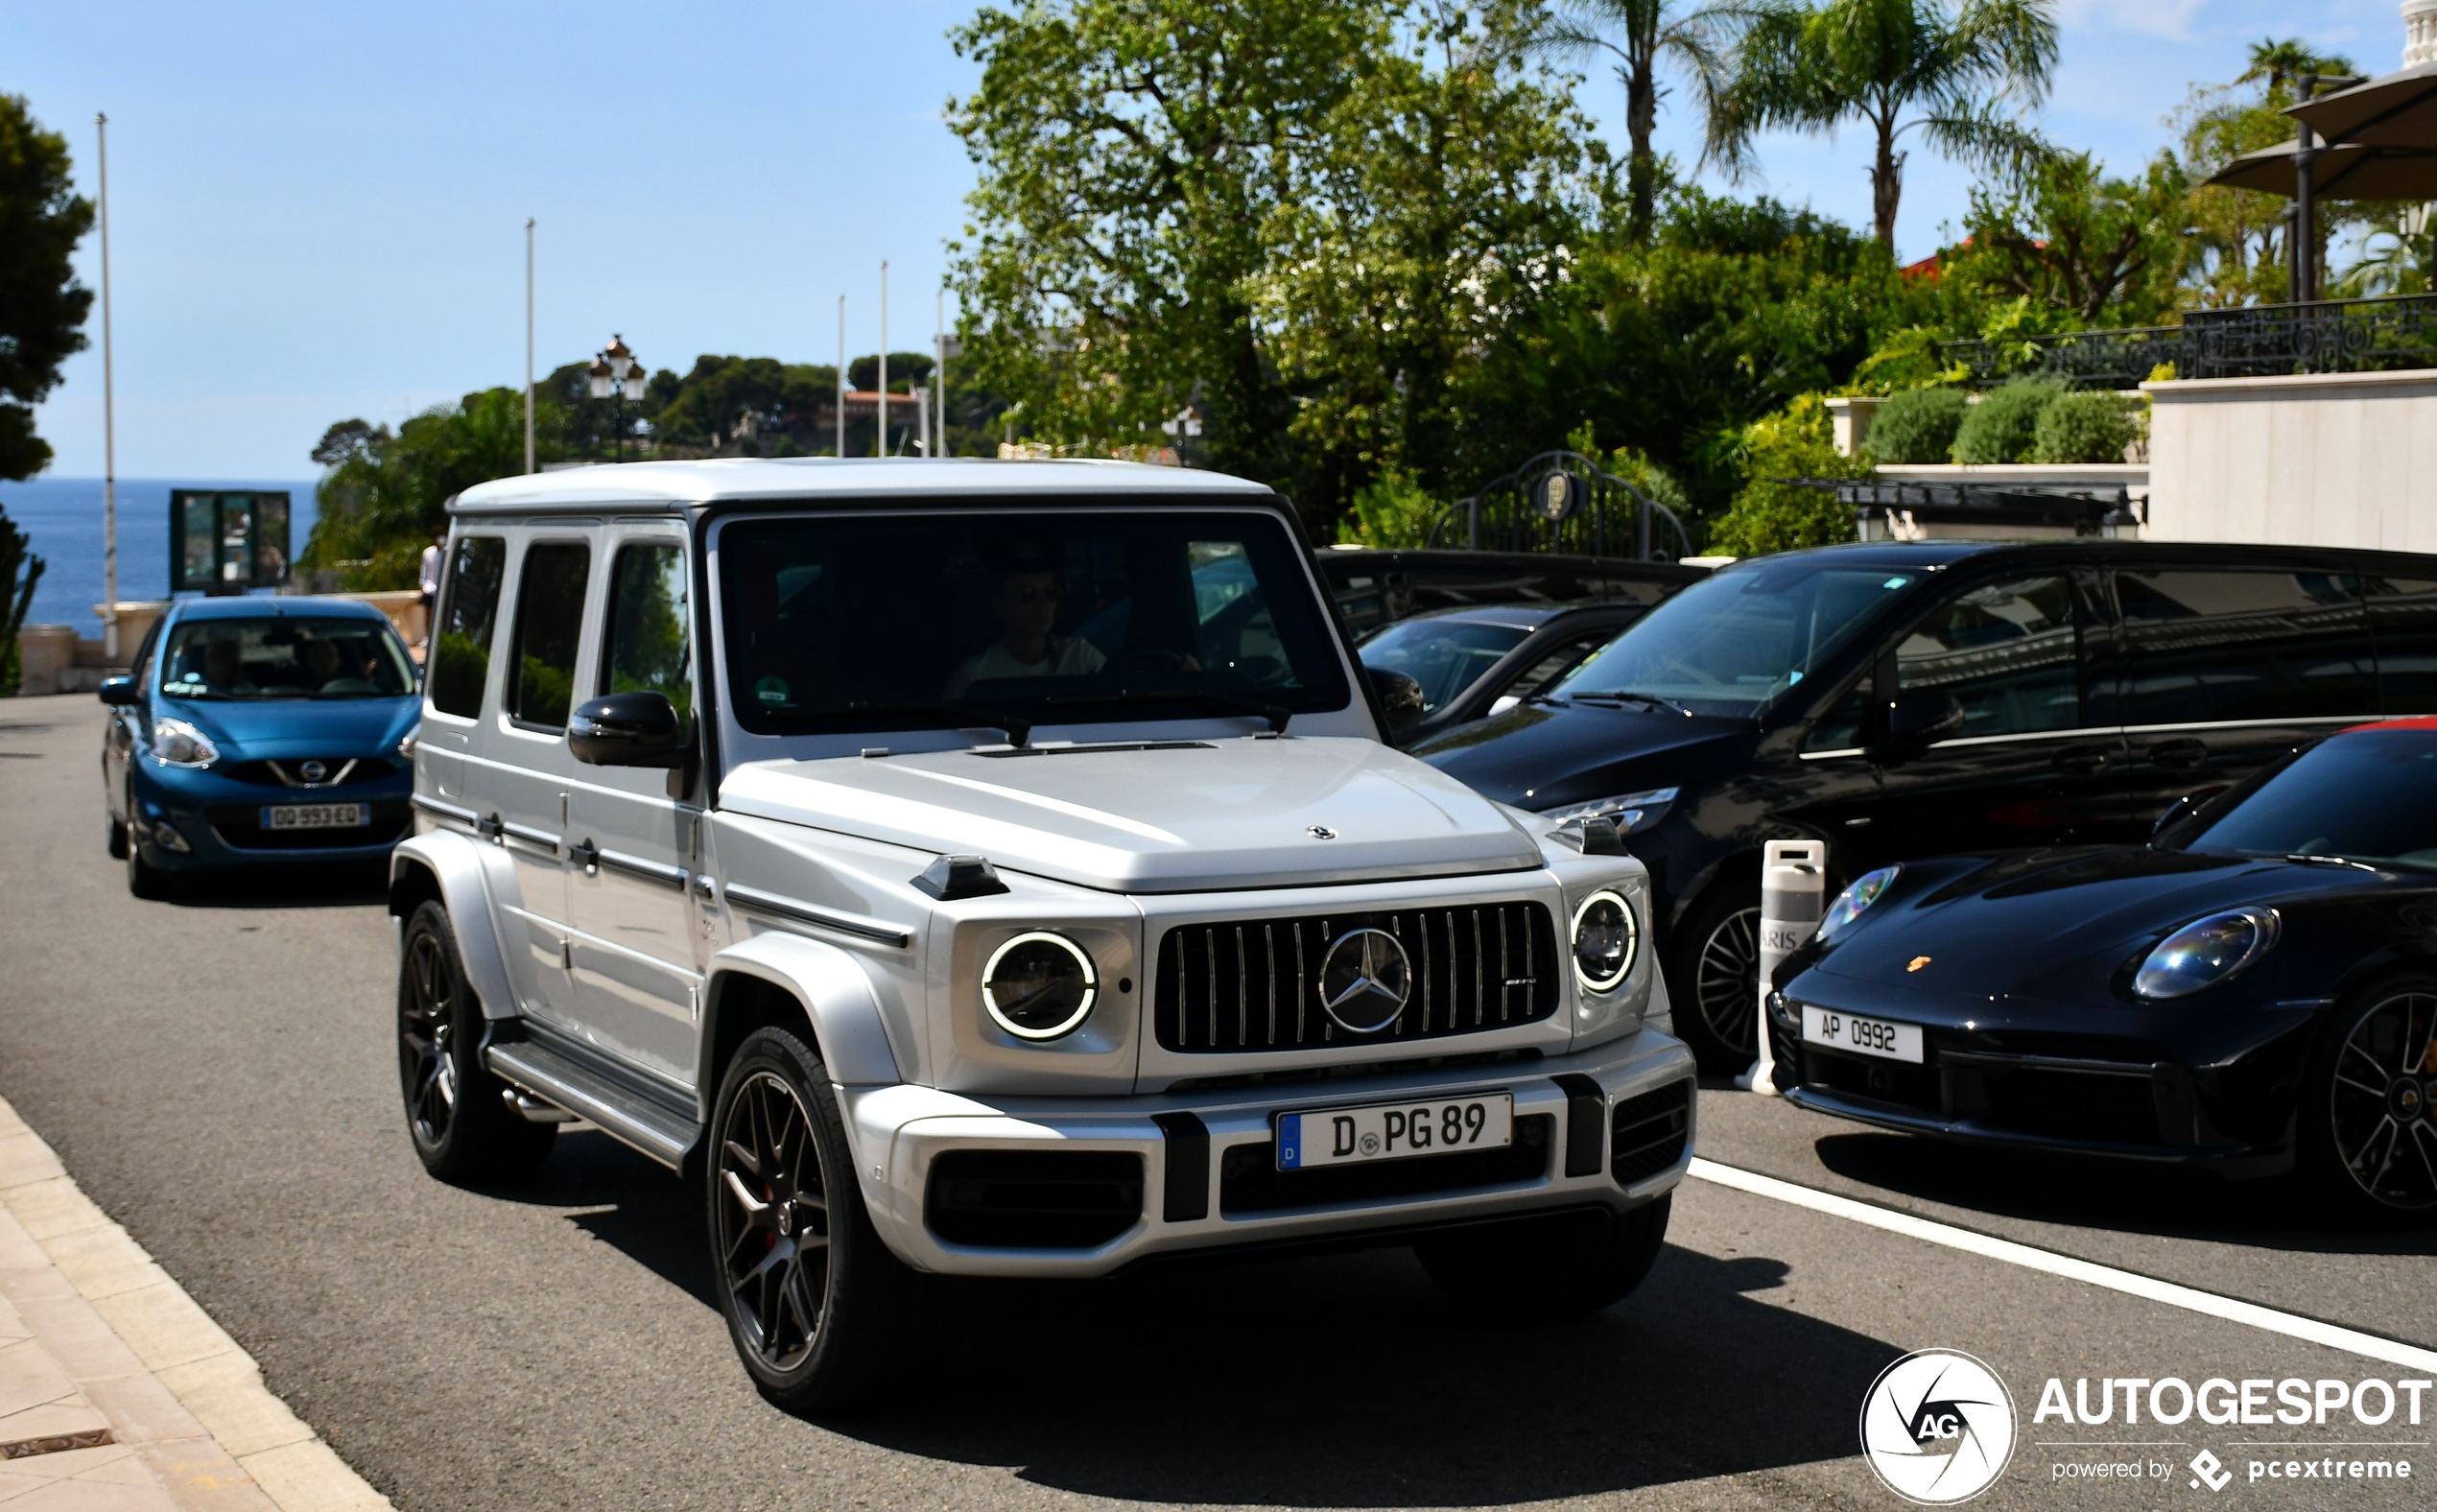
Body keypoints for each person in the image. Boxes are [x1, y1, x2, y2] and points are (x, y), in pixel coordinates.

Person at [944, 535, 1105, 697]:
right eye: (1028, 595)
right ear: (999, 603)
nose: (1042, 605)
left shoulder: (1080, 655)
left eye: (1050, 593)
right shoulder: (976, 674)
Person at [416, 532, 445, 647]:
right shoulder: (428, 552)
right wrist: (423, 586)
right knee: (428, 614)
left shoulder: (447, 552)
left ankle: (440, 637)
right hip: (430, 588)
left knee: (441, 614)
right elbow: (425, 569)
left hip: (442, 589)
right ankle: (428, 637)